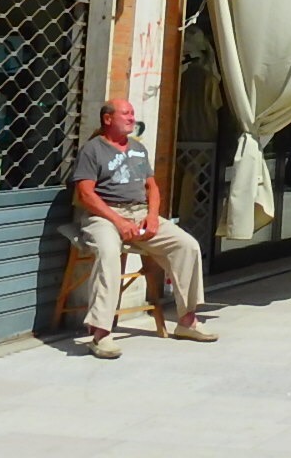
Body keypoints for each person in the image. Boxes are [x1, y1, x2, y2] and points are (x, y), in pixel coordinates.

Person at [71, 98, 216, 360]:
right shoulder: (93, 150)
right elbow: (85, 194)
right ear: (107, 119)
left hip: (139, 212)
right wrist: (118, 221)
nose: (131, 118)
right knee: (108, 253)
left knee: (187, 245)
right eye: (125, 114)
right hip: (103, 214)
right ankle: (100, 333)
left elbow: (152, 187)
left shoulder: (138, 149)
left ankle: (187, 321)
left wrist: (152, 216)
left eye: (132, 113)